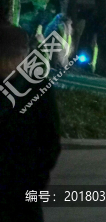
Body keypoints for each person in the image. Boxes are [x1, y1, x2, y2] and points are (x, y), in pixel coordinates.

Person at [0, 24, 61, 222]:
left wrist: (37, 180)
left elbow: (50, 140)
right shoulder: (39, 87)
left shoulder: (39, 87)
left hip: (25, 186)